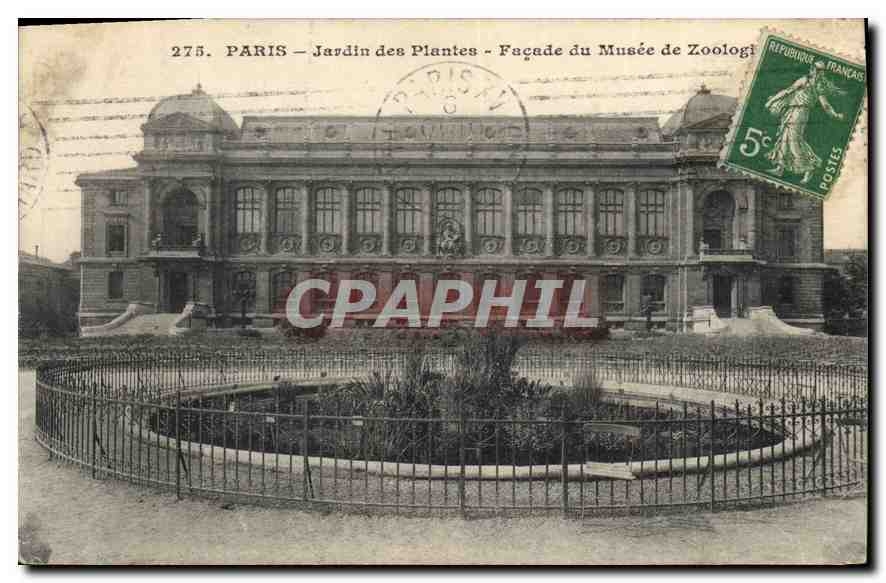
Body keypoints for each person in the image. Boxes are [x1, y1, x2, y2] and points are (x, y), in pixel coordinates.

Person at [765, 61, 846, 184]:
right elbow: (788, 91)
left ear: (822, 72)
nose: (817, 71)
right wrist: (772, 101)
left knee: (794, 141)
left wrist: (835, 115)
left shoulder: (819, 86)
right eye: (816, 69)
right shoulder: (804, 80)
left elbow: (825, 105)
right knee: (784, 138)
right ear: (812, 68)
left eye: (820, 70)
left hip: (801, 112)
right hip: (792, 110)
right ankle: (780, 168)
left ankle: (809, 168)